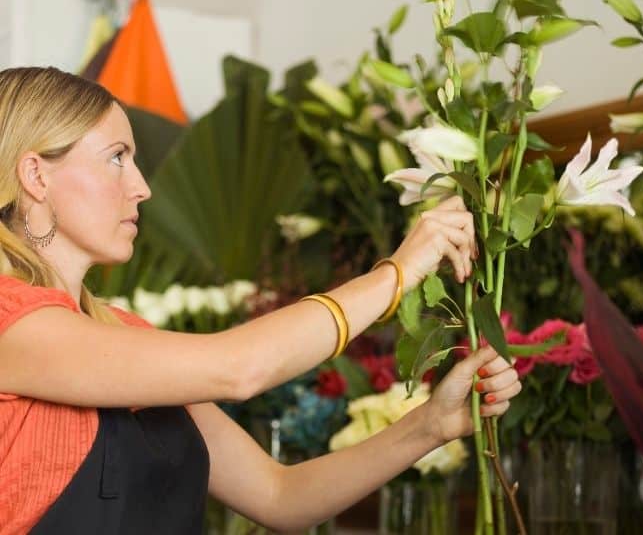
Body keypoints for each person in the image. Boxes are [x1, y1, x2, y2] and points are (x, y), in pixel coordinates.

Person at [0, 67, 521, 534]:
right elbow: (240, 369)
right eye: (116, 158)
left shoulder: (124, 335)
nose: (142, 187)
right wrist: (397, 274)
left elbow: (280, 496)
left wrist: (431, 425)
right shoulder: (9, 324)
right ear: (36, 174)